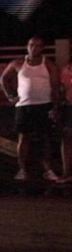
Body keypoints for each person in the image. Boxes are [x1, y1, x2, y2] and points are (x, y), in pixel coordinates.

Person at [0, 36, 60, 182]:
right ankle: (22, 169)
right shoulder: (18, 62)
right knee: (23, 138)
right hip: (24, 106)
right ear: (27, 46)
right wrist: (10, 95)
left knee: (45, 138)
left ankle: (48, 170)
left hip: (44, 105)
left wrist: (56, 106)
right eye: (32, 45)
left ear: (42, 48)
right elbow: (4, 78)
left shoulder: (48, 64)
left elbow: (56, 86)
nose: (34, 48)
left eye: (38, 46)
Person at [56, 56, 72, 184]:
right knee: (67, 138)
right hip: (69, 107)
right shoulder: (66, 70)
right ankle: (67, 173)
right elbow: (61, 89)